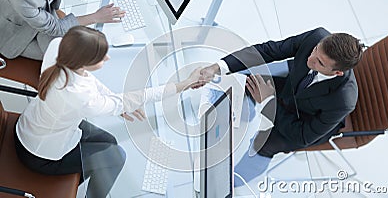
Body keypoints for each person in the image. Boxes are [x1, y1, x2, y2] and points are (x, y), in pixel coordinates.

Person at [14, 26, 202, 198]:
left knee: (110, 142)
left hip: (29, 129)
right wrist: (182, 85)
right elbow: (136, 97)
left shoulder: (58, 48)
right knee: (116, 157)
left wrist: (118, 104)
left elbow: (89, 81)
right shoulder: (79, 96)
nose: (107, 58)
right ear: (83, 63)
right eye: (101, 57)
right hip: (39, 156)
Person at [197, 27, 364, 185]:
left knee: (262, 145)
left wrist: (268, 102)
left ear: (337, 73)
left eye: (319, 62)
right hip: (291, 89)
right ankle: (236, 117)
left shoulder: (343, 101)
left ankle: (231, 182)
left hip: (300, 122)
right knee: (248, 81)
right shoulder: (316, 37)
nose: (309, 59)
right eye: (315, 50)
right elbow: (267, 51)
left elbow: (302, 136)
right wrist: (218, 67)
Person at [0, 0, 126, 60]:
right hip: (14, 34)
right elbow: (55, 28)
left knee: (75, 48)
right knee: (68, 55)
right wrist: (96, 17)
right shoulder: (23, 0)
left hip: (43, 18)